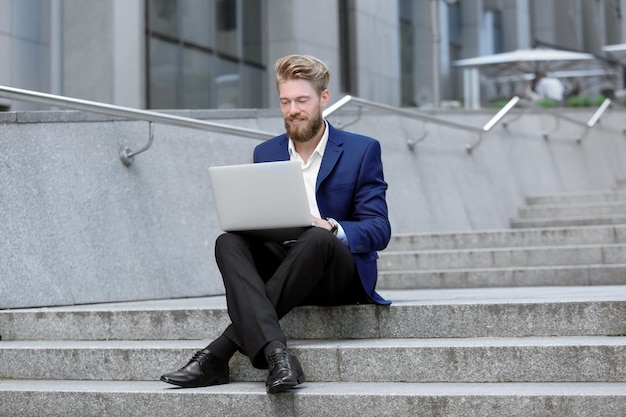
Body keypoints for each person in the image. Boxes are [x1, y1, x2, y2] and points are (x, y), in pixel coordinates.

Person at [160, 54, 391, 394]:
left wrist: (332, 227)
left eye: (302, 100)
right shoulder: (266, 152)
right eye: (285, 102)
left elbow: (378, 229)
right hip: (285, 263)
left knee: (316, 239)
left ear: (323, 99)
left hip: (336, 271)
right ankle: (276, 354)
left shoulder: (361, 150)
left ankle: (218, 353)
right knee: (229, 241)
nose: (293, 110)